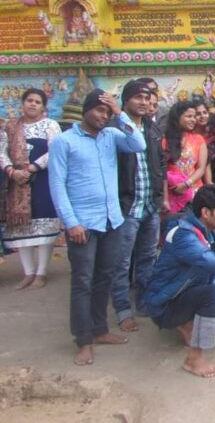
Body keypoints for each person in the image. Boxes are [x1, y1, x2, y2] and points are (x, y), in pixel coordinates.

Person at [48, 89, 146, 367]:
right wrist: (71, 222)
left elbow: (138, 143)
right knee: (82, 281)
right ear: (86, 110)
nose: (103, 116)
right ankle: (83, 340)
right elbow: (57, 185)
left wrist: (119, 112)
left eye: (107, 111)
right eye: (99, 110)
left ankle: (100, 329)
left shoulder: (111, 135)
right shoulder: (64, 142)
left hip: (111, 220)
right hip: (82, 224)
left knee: (105, 276)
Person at [145, 186, 215, 378]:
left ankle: (191, 322)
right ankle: (194, 359)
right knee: (214, 294)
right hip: (165, 305)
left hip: (192, 290)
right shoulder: (183, 235)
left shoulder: (210, 233)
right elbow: (211, 261)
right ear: (206, 212)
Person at [110, 81, 167, 333]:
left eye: (147, 98)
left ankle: (144, 303)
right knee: (121, 262)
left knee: (147, 257)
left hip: (150, 205)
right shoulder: (114, 129)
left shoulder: (152, 128)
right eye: (138, 98)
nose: (144, 103)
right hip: (126, 205)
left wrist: (160, 197)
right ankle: (123, 310)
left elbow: (160, 165)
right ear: (125, 101)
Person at [0, 88, 61, 290]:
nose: (33, 104)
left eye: (37, 101)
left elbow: (55, 150)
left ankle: (41, 273)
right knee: (21, 227)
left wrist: (32, 168)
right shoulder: (10, 126)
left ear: (43, 107)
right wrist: (11, 171)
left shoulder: (50, 125)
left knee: (44, 227)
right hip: (16, 183)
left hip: (42, 180)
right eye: (29, 100)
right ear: (22, 103)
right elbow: (1, 151)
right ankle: (28, 273)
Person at [165, 101, 208, 214]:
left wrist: (187, 184)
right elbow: (161, 168)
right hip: (173, 191)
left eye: (194, 116)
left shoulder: (198, 139)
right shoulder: (164, 140)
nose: (193, 120)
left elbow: (201, 168)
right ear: (177, 117)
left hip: (195, 191)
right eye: (189, 116)